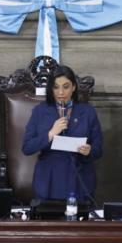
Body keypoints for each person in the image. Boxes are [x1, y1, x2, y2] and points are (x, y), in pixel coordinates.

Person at [22, 65, 103, 201]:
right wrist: (50, 134)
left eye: (66, 87)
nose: (60, 92)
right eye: (56, 87)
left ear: (74, 87)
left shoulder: (88, 112)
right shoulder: (40, 111)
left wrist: (89, 150)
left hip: (80, 180)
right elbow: (27, 148)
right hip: (49, 181)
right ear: (50, 89)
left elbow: (99, 149)